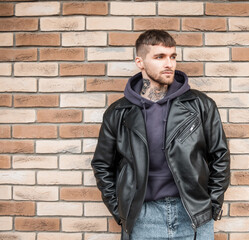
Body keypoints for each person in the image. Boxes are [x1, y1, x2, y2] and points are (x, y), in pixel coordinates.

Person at [91, 29, 230, 240]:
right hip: (142, 217)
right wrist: (121, 211)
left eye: (172, 56)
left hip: (192, 214)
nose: (169, 64)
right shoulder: (118, 112)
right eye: (160, 57)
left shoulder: (200, 105)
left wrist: (211, 204)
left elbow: (220, 156)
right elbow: (102, 164)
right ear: (140, 62)